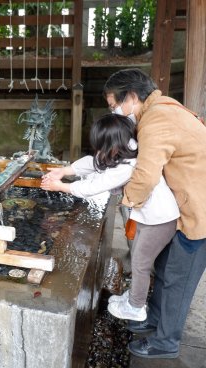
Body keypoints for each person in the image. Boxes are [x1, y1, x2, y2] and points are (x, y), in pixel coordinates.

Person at [103, 68, 206, 359]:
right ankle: (154, 320)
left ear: (132, 97)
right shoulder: (162, 110)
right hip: (186, 208)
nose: (116, 112)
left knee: (178, 280)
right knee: (163, 270)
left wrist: (126, 201)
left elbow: (146, 175)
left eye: (115, 105)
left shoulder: (156, 121)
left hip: (200, 214)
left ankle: (166, 342)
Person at [41, 113, 179, 321]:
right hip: (149, 217)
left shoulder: (126, 167)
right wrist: (64, 170)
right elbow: (94, 162)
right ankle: (134, 298)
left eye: (101, 147)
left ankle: (136, 307)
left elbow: (94, 186)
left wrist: (61, 186)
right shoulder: (128, 147)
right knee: (140, 258)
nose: (99, 152)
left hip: (159, 221)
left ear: (113, 145)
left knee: (141, 263)